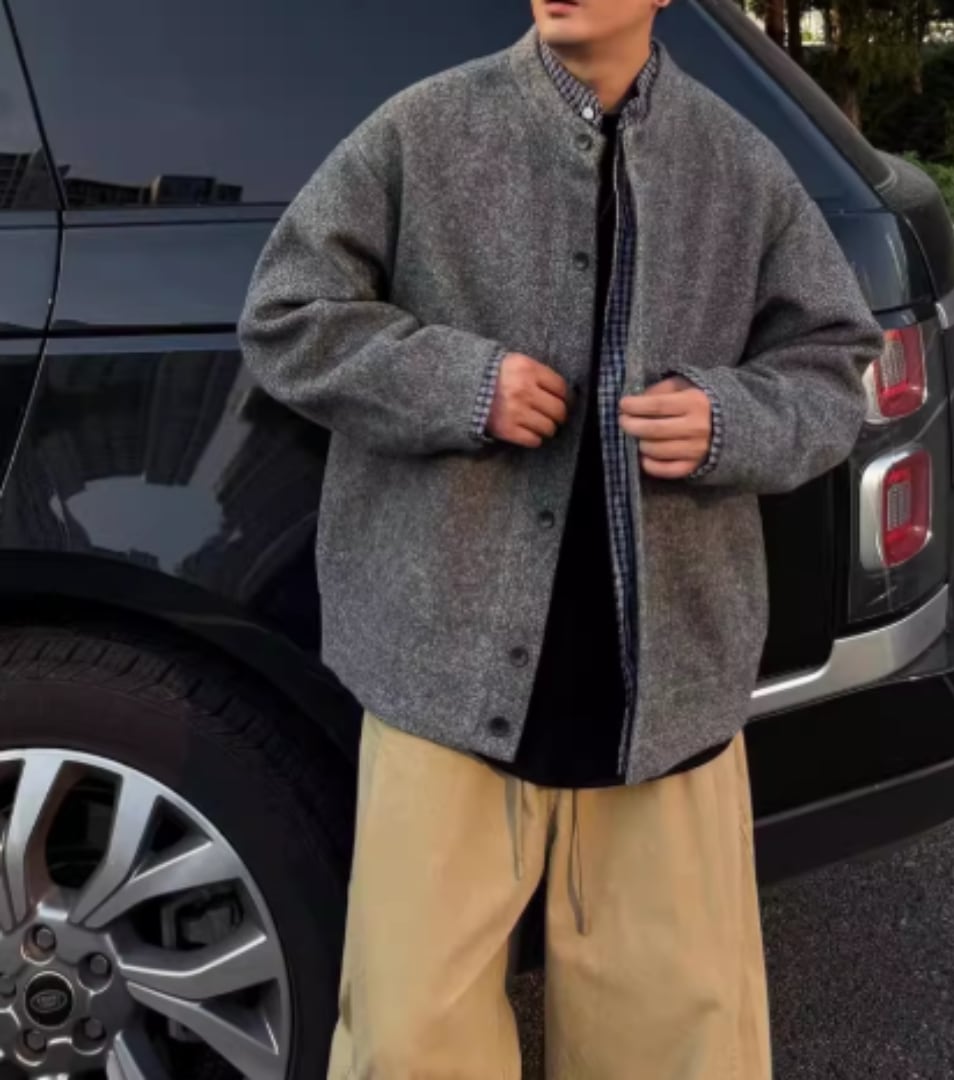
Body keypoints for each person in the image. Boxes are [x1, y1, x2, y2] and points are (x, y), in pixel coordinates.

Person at [239, 0, 883, 1075]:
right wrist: (460, 383)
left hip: (666, 695)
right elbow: (287, 312)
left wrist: (729, 420)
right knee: (408, 1045)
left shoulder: (738, 164)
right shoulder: (426, 128)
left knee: (679, 1049)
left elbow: (831, 365)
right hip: (442, 679)